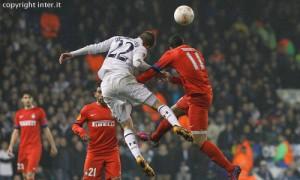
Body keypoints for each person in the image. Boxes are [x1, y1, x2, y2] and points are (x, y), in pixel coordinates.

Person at [59, 31, 193, 176]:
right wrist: (157, 72)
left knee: (126, 124)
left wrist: (72, 54)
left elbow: (94, 48)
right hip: (124, 78)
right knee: (158, 104)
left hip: (106, 86)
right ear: (148, 46)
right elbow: (137, 63)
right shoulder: (141, 47)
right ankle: (177, 126)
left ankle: (138, 156)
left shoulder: (117, 39)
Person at [136, 35, 241, 179]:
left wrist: (136, 82)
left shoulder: (172, 53)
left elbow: (153, 70)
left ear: (170, 47)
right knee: (170, 113)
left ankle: (231, 168)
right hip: (196, 94)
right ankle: (154, 138)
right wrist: (172, 79)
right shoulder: (195, 52)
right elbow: (193, 78)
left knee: (200, 141)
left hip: (198, 98)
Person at [72, 87, 121, 180]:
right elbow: (75, 125)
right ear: (95, 94)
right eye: (99, 92)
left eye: (104, 92)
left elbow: (125, 124)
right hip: (94, 153)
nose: (102, 94)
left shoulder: (115, 108)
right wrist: (81, 132)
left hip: (112, 152)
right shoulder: (87, 109)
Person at [7, 92, 58, 180]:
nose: (27, 100)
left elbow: (46, 129)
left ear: (32, 99)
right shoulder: (19, 114)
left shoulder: (39, 111)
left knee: (30, 175)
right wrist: (11, 146)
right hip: (23, 148)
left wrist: (53, 145)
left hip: (35, 147)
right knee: (25, 176)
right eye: (25, 98)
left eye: (29, 97)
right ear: (22, 100)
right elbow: (15, 132)